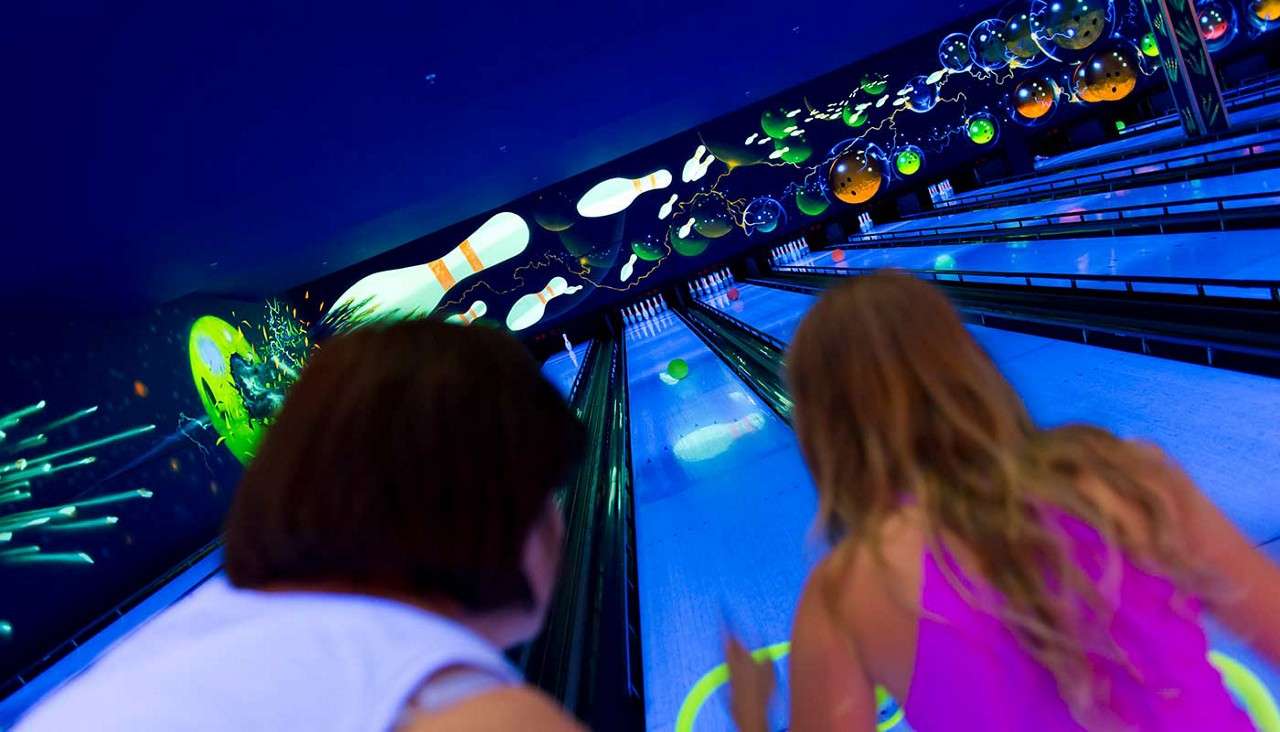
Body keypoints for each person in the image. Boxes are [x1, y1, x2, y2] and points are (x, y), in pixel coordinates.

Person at [727, 272, 1280, 731]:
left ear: (825, 431)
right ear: (967, 363)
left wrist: (752, 713)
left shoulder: (848, 591)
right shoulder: (1124, 477)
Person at [17, 320, 587, 731]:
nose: (559, 523)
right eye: (547, 490)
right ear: (488, 504)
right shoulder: (443, 699)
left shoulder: (195, 638)